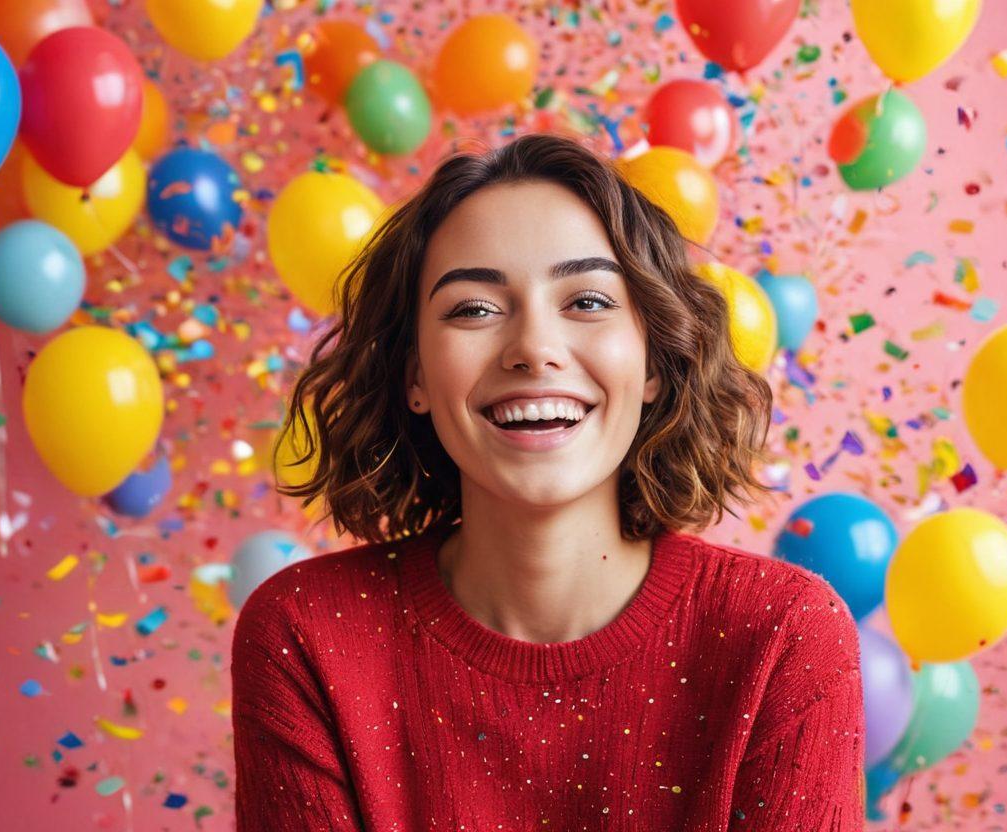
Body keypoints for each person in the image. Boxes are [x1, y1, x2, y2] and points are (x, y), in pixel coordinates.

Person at [232, 132, 865, 830]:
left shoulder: (784, 635)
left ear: (653, 362)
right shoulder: (304, 636)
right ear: (416, 375)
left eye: (587, 301)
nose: (534, 349)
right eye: (474, 308)